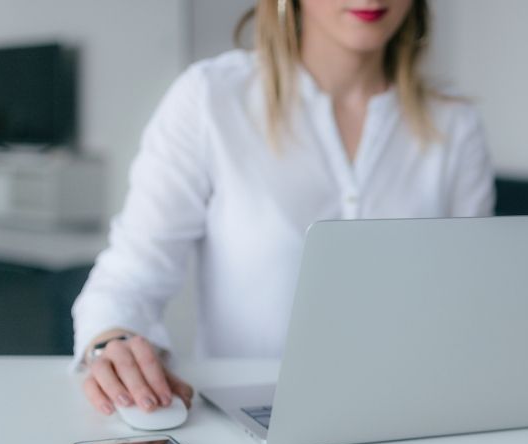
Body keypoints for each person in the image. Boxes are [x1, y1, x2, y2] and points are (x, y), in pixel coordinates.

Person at [72, 0, 494, 416]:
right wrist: (111, 342)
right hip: (249, 417)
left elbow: (472, 299)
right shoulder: (211, 98)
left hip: (411, 414)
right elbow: (130, 277)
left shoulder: (455, 122)